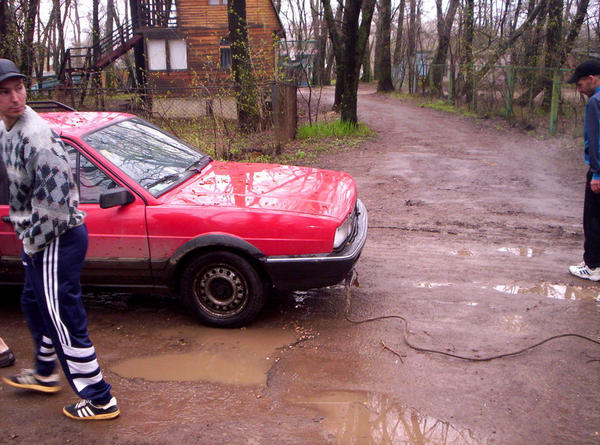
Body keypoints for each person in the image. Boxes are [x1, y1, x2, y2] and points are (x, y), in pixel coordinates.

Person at [0, 58, 119, 420]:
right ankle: (45, 372)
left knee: (64, 318)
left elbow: (56, 208)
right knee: (33, 303)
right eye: (5, 92)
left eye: (19, 88)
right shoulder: (7, 128)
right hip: (36, 236)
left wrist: (32, 244)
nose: (15, 97)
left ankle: (100, 399)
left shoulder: (37, 137)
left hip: (57, 237)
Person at [568, 60, 600, 281]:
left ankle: (593, 265)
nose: (579, 90)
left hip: (599, 170)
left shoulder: (596, 102)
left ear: (591, 79)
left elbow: (596, 139)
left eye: (579, 85)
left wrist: (597, 173)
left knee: (593, 218)